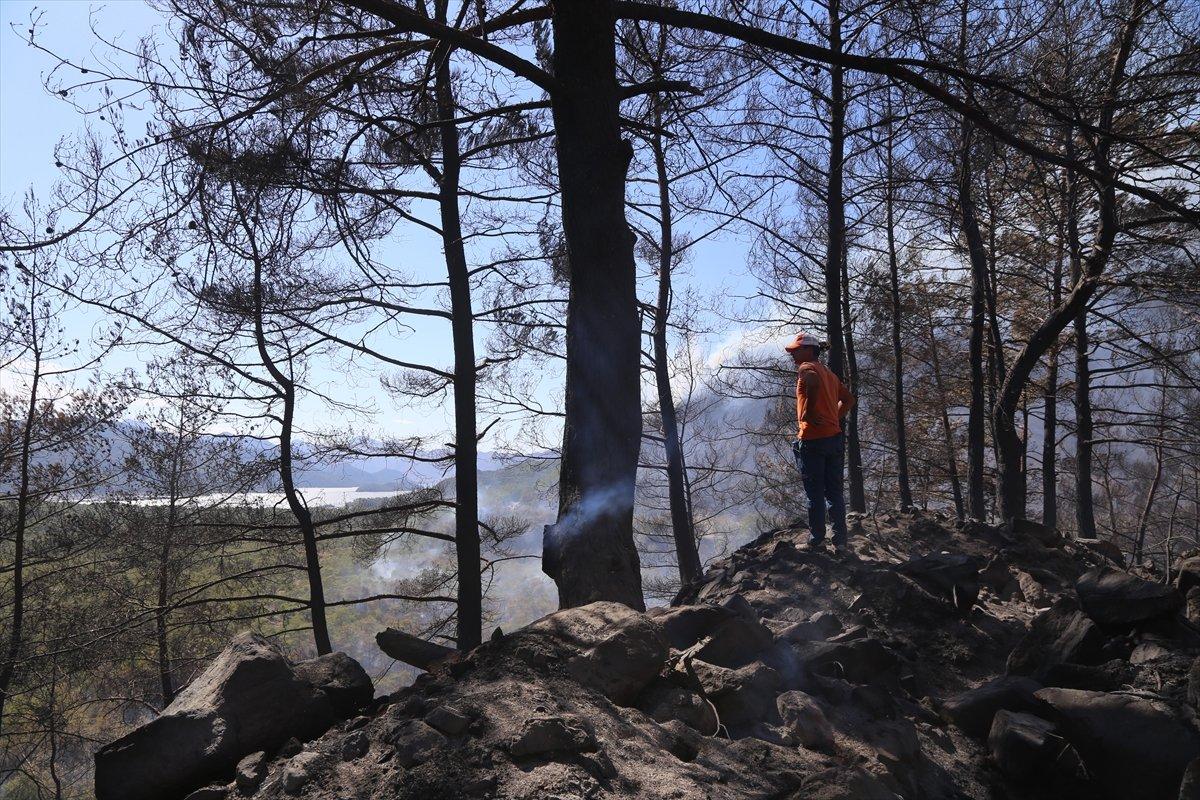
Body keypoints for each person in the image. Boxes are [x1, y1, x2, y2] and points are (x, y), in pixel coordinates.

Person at [785, 332, 856, 551]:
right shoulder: (830, 374)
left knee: (815, 493)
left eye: (796, 350)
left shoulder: (807, 368)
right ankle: (840, 541)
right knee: (834, 492)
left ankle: (817, 540)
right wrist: (834, 417)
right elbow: (849, 399)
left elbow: (812, 383)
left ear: (809, 350)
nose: (792, 354)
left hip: (812, 439)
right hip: (833, 438)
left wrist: (809, 412)